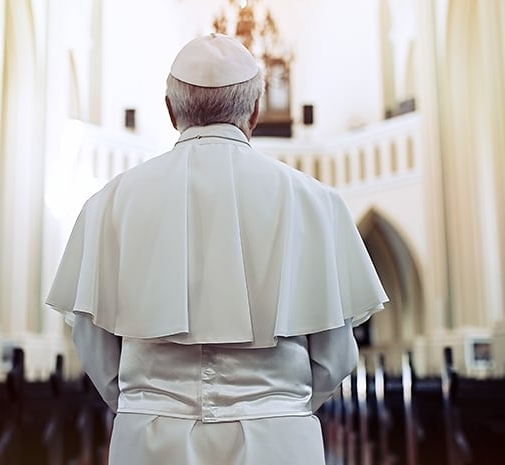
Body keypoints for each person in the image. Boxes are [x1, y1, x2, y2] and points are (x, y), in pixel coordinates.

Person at [46, 33, 388, 465]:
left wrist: (146, 403)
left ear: (170, 111)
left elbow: (93, 346)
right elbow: (335, 357)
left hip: (149, 440)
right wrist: (278, 406)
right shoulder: (316, 203)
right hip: (279, 441)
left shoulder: (110, 203)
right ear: (256, 112)